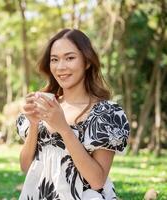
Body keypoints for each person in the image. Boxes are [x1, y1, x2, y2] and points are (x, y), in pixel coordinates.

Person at [16, 28, 130, 200]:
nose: (61, 67)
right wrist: (33, 124)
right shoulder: (46, 105)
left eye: (70, 58)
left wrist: (63, 128)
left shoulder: (105, 113)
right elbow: (25, 166)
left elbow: (97, 181)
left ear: (87, 62)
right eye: (54, 59)